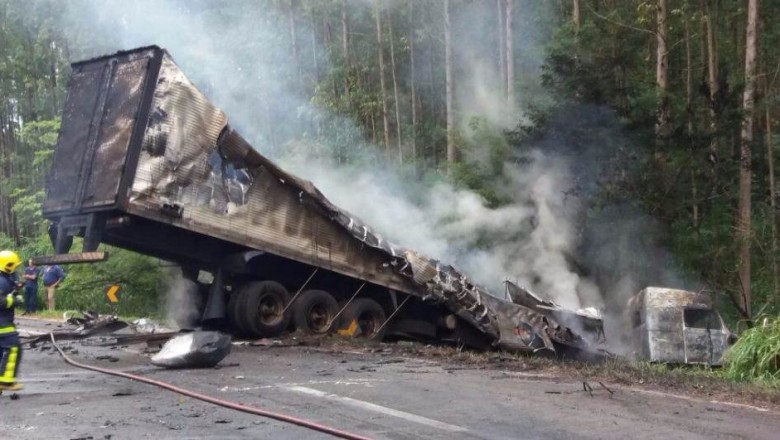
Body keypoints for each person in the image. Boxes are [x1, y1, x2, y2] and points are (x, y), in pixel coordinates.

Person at [0, 250, 24, 391]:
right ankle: (6, 382)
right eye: (14, 266)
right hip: (3, 324)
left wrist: (14, 290)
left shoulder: (3, 279)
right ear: (7, 265)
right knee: (13, 348)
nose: (15, 269)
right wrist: (15, 299)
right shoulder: (2, 281)